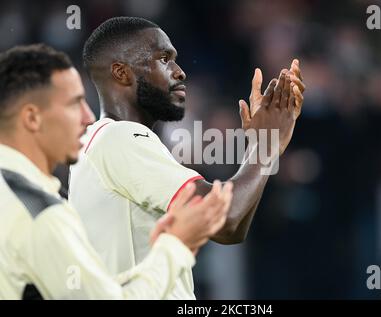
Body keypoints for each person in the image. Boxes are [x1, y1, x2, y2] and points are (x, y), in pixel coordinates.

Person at [69, 16, 305, 299]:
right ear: (121, 72)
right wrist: (265, 145)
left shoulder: (103, 143)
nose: (180, 72)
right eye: (164, 59)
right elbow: (225, 219)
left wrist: (263, 145)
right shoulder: (120, 139)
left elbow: (233, 230)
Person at [0, 44, 233, 300]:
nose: (88, 117)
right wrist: (175, 247)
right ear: (32, 118)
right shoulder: (42, 214)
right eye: (74, 103)